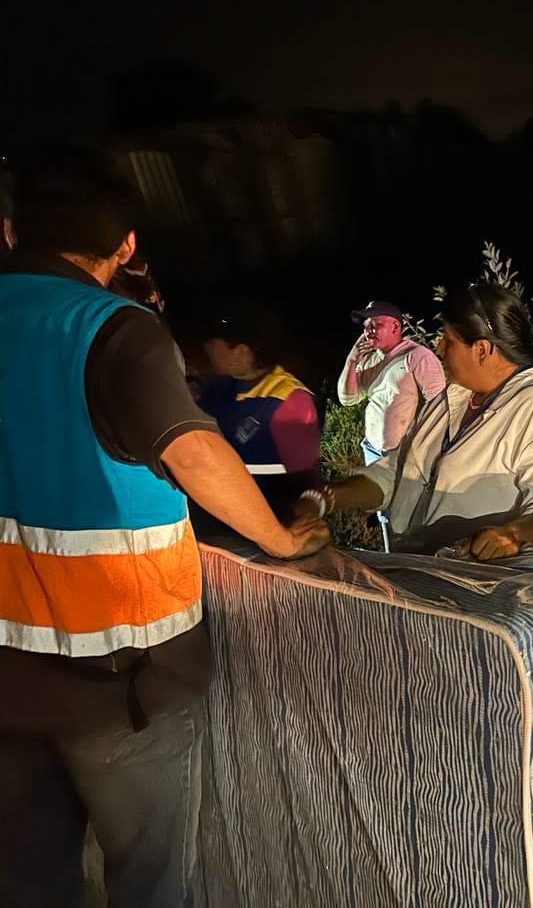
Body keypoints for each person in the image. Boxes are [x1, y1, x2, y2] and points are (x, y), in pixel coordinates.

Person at [0, 151, 329, 908]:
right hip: (116, 673)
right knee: (152, 876)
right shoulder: (113, 327)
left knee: (28, 877)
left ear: (14, 230)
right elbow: (192, 452)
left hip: (8, 677)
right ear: (125, 246)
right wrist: (283, 541)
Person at [298, 283, 533, 559]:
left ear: (482, 350)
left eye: (448, 340)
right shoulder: (450, 397)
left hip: (471, 580)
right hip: (413, 569)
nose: (439, 347)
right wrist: (326, 498)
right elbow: (395, 470)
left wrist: (511, 535)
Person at [337, 299, 445, 549]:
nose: (369, 331)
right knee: (384, 513)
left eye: (376, 324)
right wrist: (352, 360)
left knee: (409, 513)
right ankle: (391, 559)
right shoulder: (369, 360)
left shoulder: (417, 356)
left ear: (396, 327)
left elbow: (440, 405)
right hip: (373, 450)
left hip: (404, 454)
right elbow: (347, 398)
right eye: (366, 326)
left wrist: (423, 449)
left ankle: (414, 563)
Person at [199, 305, 322, 517]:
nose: (207, 348)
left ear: (241, 352)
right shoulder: (219, 388)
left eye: (214, 344)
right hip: (220, 516)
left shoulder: (289, 400)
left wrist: (293, 525)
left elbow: (306, 483)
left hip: (269, 521)